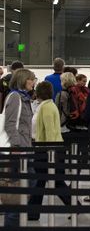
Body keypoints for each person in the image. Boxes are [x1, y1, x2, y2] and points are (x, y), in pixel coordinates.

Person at [28, 81, 73, 221]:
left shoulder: (46, 107)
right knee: (48, 181)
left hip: (45, 150)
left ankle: (33, 213)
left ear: (38, 92)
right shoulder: (46, 105)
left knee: (43, 181)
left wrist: (49, 151)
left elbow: (50, 131)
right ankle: (33, 213)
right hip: (47, 149)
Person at [3, 68, 36, 227]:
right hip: (17, 150)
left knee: (28, 183)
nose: (33, 81)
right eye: (31, 79)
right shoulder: (15, 97)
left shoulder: (24, 98)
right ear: (23, 79)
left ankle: (14, 216)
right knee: (20, 187)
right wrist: (17, 145)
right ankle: (12, 219)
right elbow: (10, 124)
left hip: (24, 148)